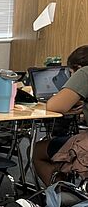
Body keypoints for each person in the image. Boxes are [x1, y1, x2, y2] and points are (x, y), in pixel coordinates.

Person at [32, 45, 88, 185]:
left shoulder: (85, 72)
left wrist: (68, 105)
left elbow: (54, 106)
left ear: (77, 67)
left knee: (38, 151)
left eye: (70, 73)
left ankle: (62, 199)